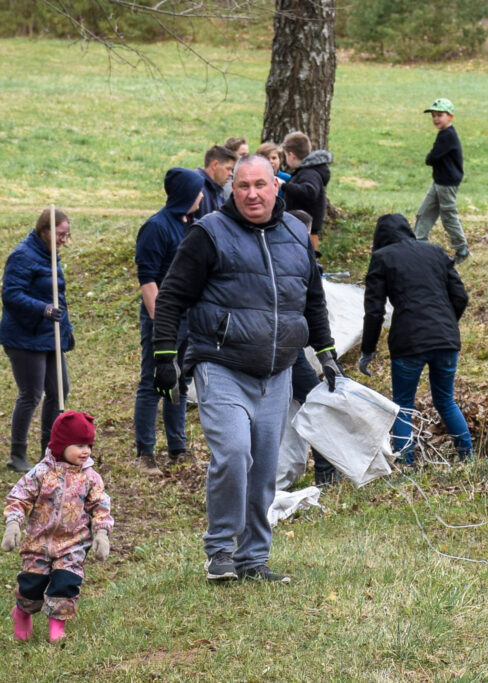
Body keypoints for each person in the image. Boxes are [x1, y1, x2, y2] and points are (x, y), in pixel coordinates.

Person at [151, 154, 342, 583]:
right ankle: (220, 550)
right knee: (235, 453)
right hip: (222, 364)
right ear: (230, 190)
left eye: (260, 184)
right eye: (242, 186)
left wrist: (326, 350)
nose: (252, 194)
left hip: (277, 370)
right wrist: (164, 356)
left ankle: (254, 558)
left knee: (264, 468)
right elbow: (172, 296)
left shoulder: (296, 231)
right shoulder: (209, 234)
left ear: (277, 185)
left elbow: (311, 297)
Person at [359, 213, 473, 464]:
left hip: (408, 341)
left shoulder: (382, 258)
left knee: (403, 406)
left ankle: (406, 463)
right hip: (445, 339)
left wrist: (368, 350)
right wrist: (444, 325)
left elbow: (374, 310)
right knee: (445, 400)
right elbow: (461, 297)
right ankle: (468, 456)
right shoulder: (435, 251)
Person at [2, 410, 113, 643]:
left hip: (73, 543)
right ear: (61, 445)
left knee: (66, 582)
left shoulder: (91, 478)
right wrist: (13, 523)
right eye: (79, 445)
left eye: (89, 445)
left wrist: (102, 533)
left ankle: (57, 626)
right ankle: (22, 612)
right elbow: (19, 497)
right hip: (38, 542)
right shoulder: (41, 473)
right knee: (31, 586)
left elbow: (100, 505)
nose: (86, 451)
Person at [133, 168, 205, 476]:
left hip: (188, 319)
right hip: (162, 320)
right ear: (185, 195)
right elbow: (147, 280)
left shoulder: (188, 225)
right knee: (154, 382)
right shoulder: (155, 227)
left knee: (180, 383)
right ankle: (145, 453)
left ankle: (178, 448)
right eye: (197, 191)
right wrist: (161, 321)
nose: (202, 197)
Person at [0, 209, 75, 472]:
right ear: (44, 231)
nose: (64, 240)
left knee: (60, 390)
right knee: (31, 394)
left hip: (50, 334)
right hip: (25, 335)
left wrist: (65, 329)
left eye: (67, 235)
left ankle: (49, 450)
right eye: (60, 234)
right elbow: (11, 294)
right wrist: (42, 309)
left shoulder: (51, 254)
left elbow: (58, 296)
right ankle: (17, 453)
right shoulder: (23, 256)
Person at [285, 209, 342, 487]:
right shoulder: (286, 253)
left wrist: (326, 352)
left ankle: (325, 469)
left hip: (290, 349)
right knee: (315, 403)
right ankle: (325, 470)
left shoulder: (299, 257)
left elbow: (315, 305)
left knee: (314, 402)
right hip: (276, 350)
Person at [413, 98, 470, 264]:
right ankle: (418, 245)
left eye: (440, 115)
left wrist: (429, 158)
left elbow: (433, 157)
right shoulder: (444, 134)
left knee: (448, 216)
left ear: (450, 116)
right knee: (424, 212)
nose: (436, 119)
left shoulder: (448, 136)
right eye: (433, 116)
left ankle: (462, 250)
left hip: (447, 183)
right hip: (439, 182)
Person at [282, 131, 332, 252]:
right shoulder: (306, 172)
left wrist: (284, 186)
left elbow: (310, 192)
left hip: (306, 230)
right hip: (302, 228)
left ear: (291, 155)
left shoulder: (309, 173)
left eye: (285, 155)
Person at [195, 145, 236, 218]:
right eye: (228, 169)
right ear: (215, 165)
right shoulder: (196, 187)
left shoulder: (217, 189)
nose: (231, 174)